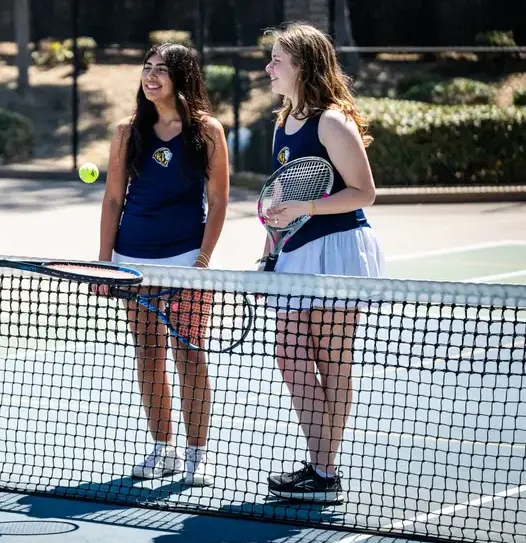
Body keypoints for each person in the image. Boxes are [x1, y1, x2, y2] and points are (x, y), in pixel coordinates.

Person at [259, 23, 384, 503]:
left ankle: (322, 471)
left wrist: (302, 210)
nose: (269, 68)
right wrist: (272, 242)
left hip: (339, 248)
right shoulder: (282, 122)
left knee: (331, 361)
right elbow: (285, 195)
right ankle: (322, 466)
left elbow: (364, 193)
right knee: (290, 355)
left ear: (303, 67)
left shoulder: (332, 122)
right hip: (295, 251)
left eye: (277, 61)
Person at [97, 43, 230, 487]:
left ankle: (197, 455)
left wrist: (202, 260)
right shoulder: (126, 131)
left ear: (182, 78)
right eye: (146, 68)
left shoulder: (208, 131)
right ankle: (163, 449)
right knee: (148, 355)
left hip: (185, 262)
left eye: (161, 70)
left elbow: (218, 201)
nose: (150, 76)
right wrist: (104, 263)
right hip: (132, 262)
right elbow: (113, 198)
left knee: (189, 355)